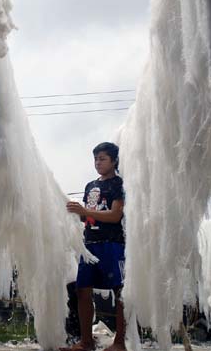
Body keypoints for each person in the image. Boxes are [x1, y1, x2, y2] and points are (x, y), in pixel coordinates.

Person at [62, 142, 126, 351]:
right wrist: (76, 212)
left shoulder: (119, 184)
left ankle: (119, 343)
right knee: (82, 291)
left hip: (112, 244)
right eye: (96, 159)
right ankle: (86, 342)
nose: (98, 163)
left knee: (120, 292)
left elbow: (116, 215)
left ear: (114, 161)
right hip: (89, 245)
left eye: (102, 159)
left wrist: (86, 212)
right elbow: (88, 218)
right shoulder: (90, 185)